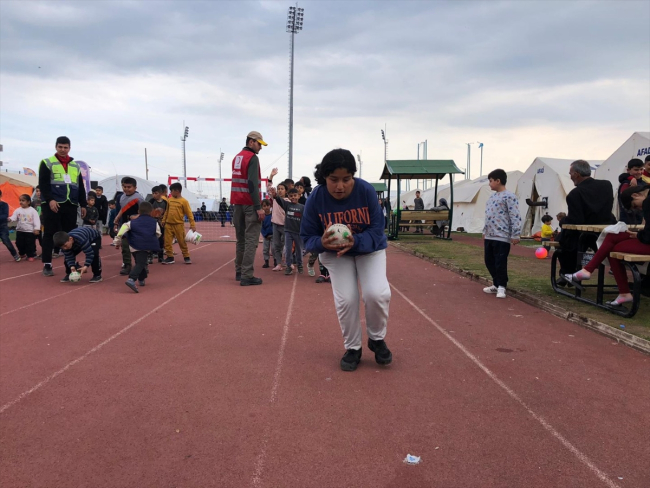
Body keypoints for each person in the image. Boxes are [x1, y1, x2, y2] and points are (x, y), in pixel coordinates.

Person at [301, 149, 391, 372]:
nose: (340, 186)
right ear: (324, 178)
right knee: (347, 299)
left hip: (369, 250)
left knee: (377, 294)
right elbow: (307, 238)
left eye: (346, 179)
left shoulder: (366, 191)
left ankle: (376, 339)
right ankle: (353, 348)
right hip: (334, 253)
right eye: (333, 180)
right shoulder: (316, 198)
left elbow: (378, 230)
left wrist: (356, 241)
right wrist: (322, 243)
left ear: (354, 176)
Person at [566, 186, 650, 307]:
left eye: (636, 206)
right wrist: (639, 235)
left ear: (635, 195)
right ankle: (587, 271)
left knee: (612, 247)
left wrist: (640, 235)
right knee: (613, 236)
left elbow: (648, 235)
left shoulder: (648, 202)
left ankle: (622, 291)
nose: (639, 209)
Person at [557, 160, 615, 281]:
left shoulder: (575, 194)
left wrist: (562, 221)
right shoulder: (606, 185)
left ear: (576, 174)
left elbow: (576, 220)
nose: (570, 176)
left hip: (585, 234)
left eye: (570, 173)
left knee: (564, 242)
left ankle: (567, 273)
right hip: (606, 232)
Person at [38, 136, 87, 276]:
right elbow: (44, 184)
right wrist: (50, 200)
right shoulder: (47, 163)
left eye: (65, 147)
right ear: (56, 147)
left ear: (69, 148)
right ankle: (47, 264)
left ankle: (70, 264)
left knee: (70, 235)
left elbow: (80, 187)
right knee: (49, 233)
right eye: (60, 147)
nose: (63, 149)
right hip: (52, 204)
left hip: (70, 204)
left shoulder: (75, 166)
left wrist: (83, 204)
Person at [231, 130, 266, 286]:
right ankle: (247, 275)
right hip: (250, 204)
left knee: (241, 240)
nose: (261, 148)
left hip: (237, 204)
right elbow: (252, 183)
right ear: (251, 142)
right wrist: (258, 207)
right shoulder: (252, 158)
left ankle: (239, 271)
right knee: (251, 240)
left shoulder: (236, 158)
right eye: (259, 144)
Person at [482, 169, 522, 299]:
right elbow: (488, 215)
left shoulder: (509, 196)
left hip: (502, 235)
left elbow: (515, 216)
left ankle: (502, 286)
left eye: (491, 181)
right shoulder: (492, 197)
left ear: (498, 181)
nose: (489, 184)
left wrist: (515, 234)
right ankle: (496, 283)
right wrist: (485, 231)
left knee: (500, 261)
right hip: (490, 235)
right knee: (489, 261)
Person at [115, 201, 162, 293]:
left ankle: (141, 278)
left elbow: (122, 231)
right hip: (144, 246)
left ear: (138, 211)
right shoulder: (154, 222)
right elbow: (158, 233)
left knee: (140, 262)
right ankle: (131, 279)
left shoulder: (131, 222)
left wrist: (117, 241)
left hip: (132, 246)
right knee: (141, 263)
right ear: (151, 211)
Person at [113, 177, 144, 275]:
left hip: (136, 225)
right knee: (125, 245)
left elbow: (145, 212)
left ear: (135, 187)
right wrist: (117, 218)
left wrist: (137, 216)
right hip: (125, 224)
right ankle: (127, 265)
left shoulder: (139, 198)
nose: (126, 189)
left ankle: (142, 265)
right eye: (124, 186)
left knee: (138, 246)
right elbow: (122, 209)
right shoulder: (122, 197)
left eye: (129, 187)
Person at [269, 187, 304, 275]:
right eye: (291, 196)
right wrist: (275, 195)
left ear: (299, 196)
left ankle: (300, 265)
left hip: (298, 232)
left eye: (295, 195)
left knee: (299, 249)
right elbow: (279, 200)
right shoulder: (287, 205)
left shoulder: (302, 207)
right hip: (288, 231)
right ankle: (288, 266)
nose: (293, 197)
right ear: (288, 196)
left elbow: (306, 219)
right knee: (288, 249)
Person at [161, 182, 195, 264]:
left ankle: (186, 256)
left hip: (178, 225)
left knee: (182, 241)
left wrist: (192, 224)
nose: (170, 193)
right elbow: (167, 211)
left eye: (171, 191)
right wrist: (163, 220)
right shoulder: (170, 200)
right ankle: (170, 257)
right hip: (168, 224)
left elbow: (189, 213)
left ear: (177, 191)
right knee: (167, 242)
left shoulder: (184, 201)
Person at [8, 194, 40, 261]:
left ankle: (30, 255)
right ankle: (22, 253)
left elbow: (36, 220)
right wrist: (10, 219)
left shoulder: (33, 211)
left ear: (28, 202)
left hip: (29, 231)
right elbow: (14, 217)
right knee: (19, 243)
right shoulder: (18, 210)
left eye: (23, 200)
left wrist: (37, 228)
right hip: (20, 230)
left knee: (30, 244)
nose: (21, 202)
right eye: (20, 200)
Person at [617, 158, 645, 225]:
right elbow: (625, 205)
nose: (639, 172)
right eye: (636, 170)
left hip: (640, 220)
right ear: (628, 170)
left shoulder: (643, 183)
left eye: (641, 169)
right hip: (630, 222)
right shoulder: (626, 184)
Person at [149, 186, 168, 263]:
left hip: (161, 224)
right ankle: (150, 256)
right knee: (151, 239)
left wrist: (163, 220)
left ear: (160, 193)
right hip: (152, 223)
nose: (154, 195)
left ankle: (161, 256)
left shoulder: (165, 202)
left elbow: (167, 212)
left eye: (156, 193)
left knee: (161, 240)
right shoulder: (151, 201)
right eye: (153, 193)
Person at [0, 189, 20, 261]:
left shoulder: (4, 205)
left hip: (2, 226)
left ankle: (15, 254)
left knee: (6, 241)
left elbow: (5, 216)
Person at [260, 199, 273, 268]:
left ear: (270, 206)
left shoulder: (273, 215)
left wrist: (274, 234)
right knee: (265, 249)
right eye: (264, 206)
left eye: (268, 205)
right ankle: (266, 262)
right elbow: (261, 227)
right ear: (262, 207)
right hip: (266, 236)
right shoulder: (262, 217)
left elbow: (274, 225)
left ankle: (276, 261)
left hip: (273, 235)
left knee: (274, 249)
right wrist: (265, 235)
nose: (266, 207)